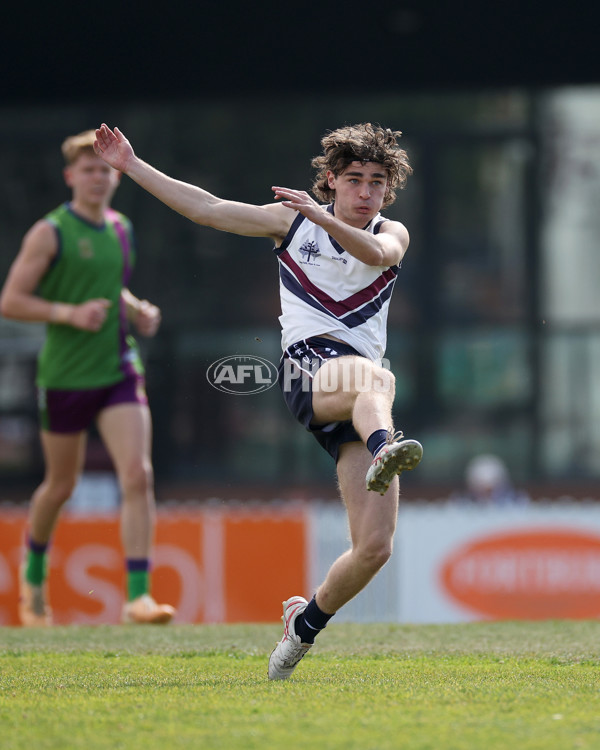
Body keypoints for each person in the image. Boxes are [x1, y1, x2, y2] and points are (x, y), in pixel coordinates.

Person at [93, 121, 423, 678]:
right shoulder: (293, 224)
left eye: (376, 182)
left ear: (388, 191)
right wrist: (130, 166)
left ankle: (304, 624)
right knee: (377, 380)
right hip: (309, 374)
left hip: (358, 398)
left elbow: (374, 251)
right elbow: (208, 209)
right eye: (354, 180)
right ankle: (386, 444)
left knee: (374, 548)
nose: (365, 193)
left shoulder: (392, 232)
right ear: (331, 182)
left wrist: (322, 218)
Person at [0, 130, 176, 626]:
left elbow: (111, 287)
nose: (98, 178)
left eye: (105, 170)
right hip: (65, 374)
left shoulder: (121, 228)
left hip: (118, 367)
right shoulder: (49, 232)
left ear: (115, 177)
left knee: (138, 475)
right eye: (88, 170)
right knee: (60, 485)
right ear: (70, 176)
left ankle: (138, 596)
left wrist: (138, 309)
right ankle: (33, 581)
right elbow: (11, 301)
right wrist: (69, 313)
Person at [452, 453, 530, 506]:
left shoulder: (518, 502)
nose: (487, 496)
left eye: (490, 490)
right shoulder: (460, 504)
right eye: (481, 490)